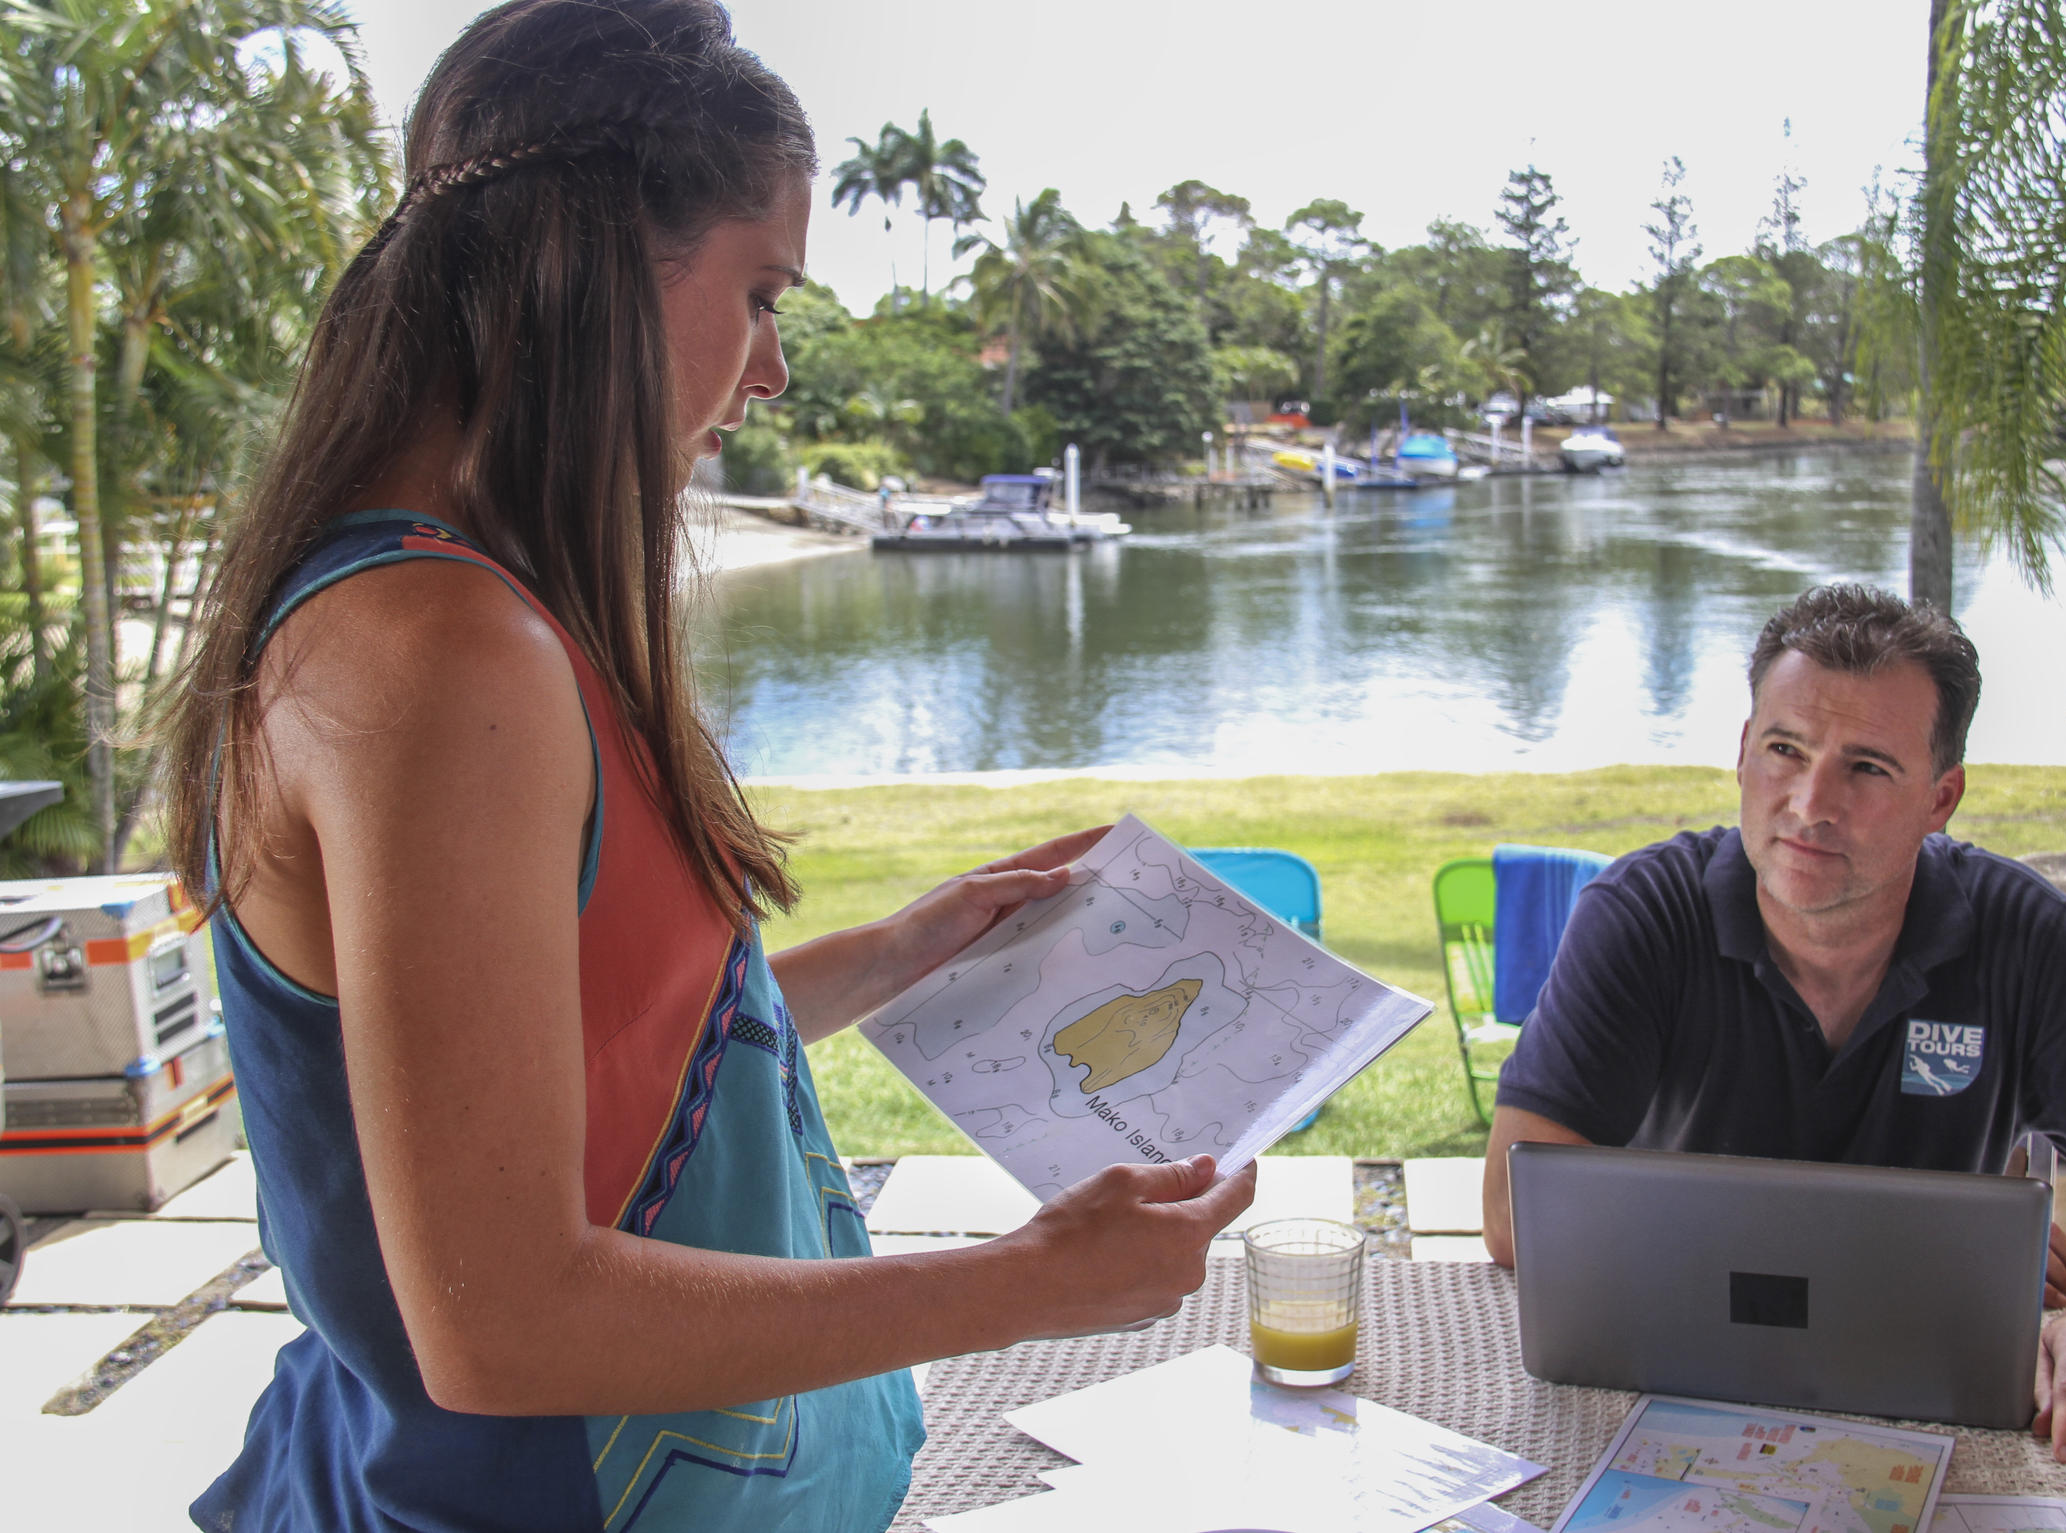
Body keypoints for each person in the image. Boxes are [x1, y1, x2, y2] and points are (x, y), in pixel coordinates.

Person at [157, 5, 1254, 1529]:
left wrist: (900, 948)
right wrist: (1030, 1284)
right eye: (759, 292)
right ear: (598, 267)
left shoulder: (485, 611)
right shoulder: (436, 653)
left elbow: (581, 1078)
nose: (774, 370)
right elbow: (504, 1317)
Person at [1480, 584, 2066, 1486]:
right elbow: (1517, 1213)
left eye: (1867, 767)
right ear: (1744, 753)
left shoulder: (2022, 934)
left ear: (1942, 797)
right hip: (1661, 1411)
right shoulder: (1643, 914)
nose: (1811, 803)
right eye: (1785, 749)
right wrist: (1959, 1250)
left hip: (1962, 1431)